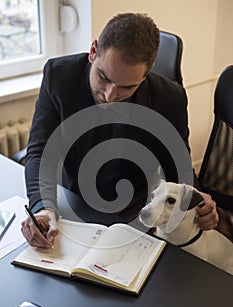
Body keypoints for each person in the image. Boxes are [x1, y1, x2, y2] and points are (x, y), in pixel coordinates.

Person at [21, 13, 218, 248]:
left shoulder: (169, 98)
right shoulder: (59, 76)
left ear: (147, 73)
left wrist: (198, 200)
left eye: (127, 87)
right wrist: (43, 208)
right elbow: (40, 151)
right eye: (103, 76)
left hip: (135, 211)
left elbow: (178, 167)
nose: (109, 95)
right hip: (73, 198)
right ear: (93, 50)